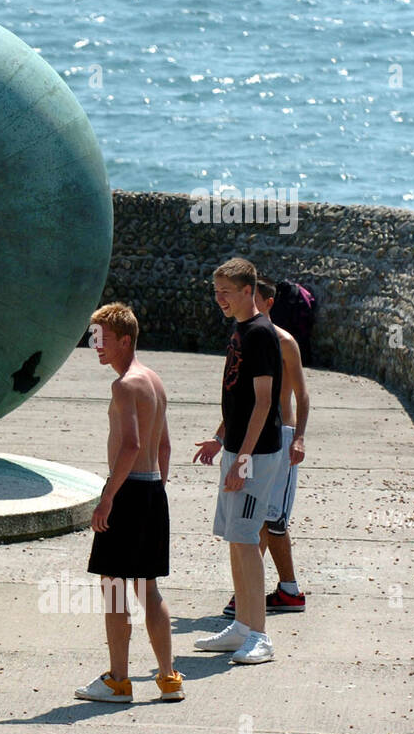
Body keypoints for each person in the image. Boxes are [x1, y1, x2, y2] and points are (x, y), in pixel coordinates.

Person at [75, 303, 183, 703]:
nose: (95, 346)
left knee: (116, 590)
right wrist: (153, 493)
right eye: (93, 338)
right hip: (153, 490)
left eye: (102, 338)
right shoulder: (154, 380)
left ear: (125, 339)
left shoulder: (124, 386)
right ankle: (169, 678)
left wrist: (108, 499)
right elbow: (165, 447)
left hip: (129, 492)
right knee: (149, 590)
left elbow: (131, 445)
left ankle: (118, 681)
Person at [193, 258, 286, 664]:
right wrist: (220, 439)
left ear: (248, 291)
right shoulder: (239, 330)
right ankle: (242, 627)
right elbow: (238, 396)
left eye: (226, 292)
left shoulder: (262, 334)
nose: (220, 299)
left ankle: (260, 636)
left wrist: (243, 458)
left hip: (257, 453)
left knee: (248, 540)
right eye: (216, 292)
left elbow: (264, 403)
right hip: (237, 448)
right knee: (235, 538)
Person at [222, 278, 310, 617]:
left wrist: (299, 436)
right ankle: (283, 591)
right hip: (254, 440)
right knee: (258, 515)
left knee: (272, 519)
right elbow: (236, 395)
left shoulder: (284, 342)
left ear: (267, 303)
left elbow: (302, 393)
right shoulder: (243, 337)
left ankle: (255, 595)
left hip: (282, 440)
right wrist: (220, 437)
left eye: (253, 299)